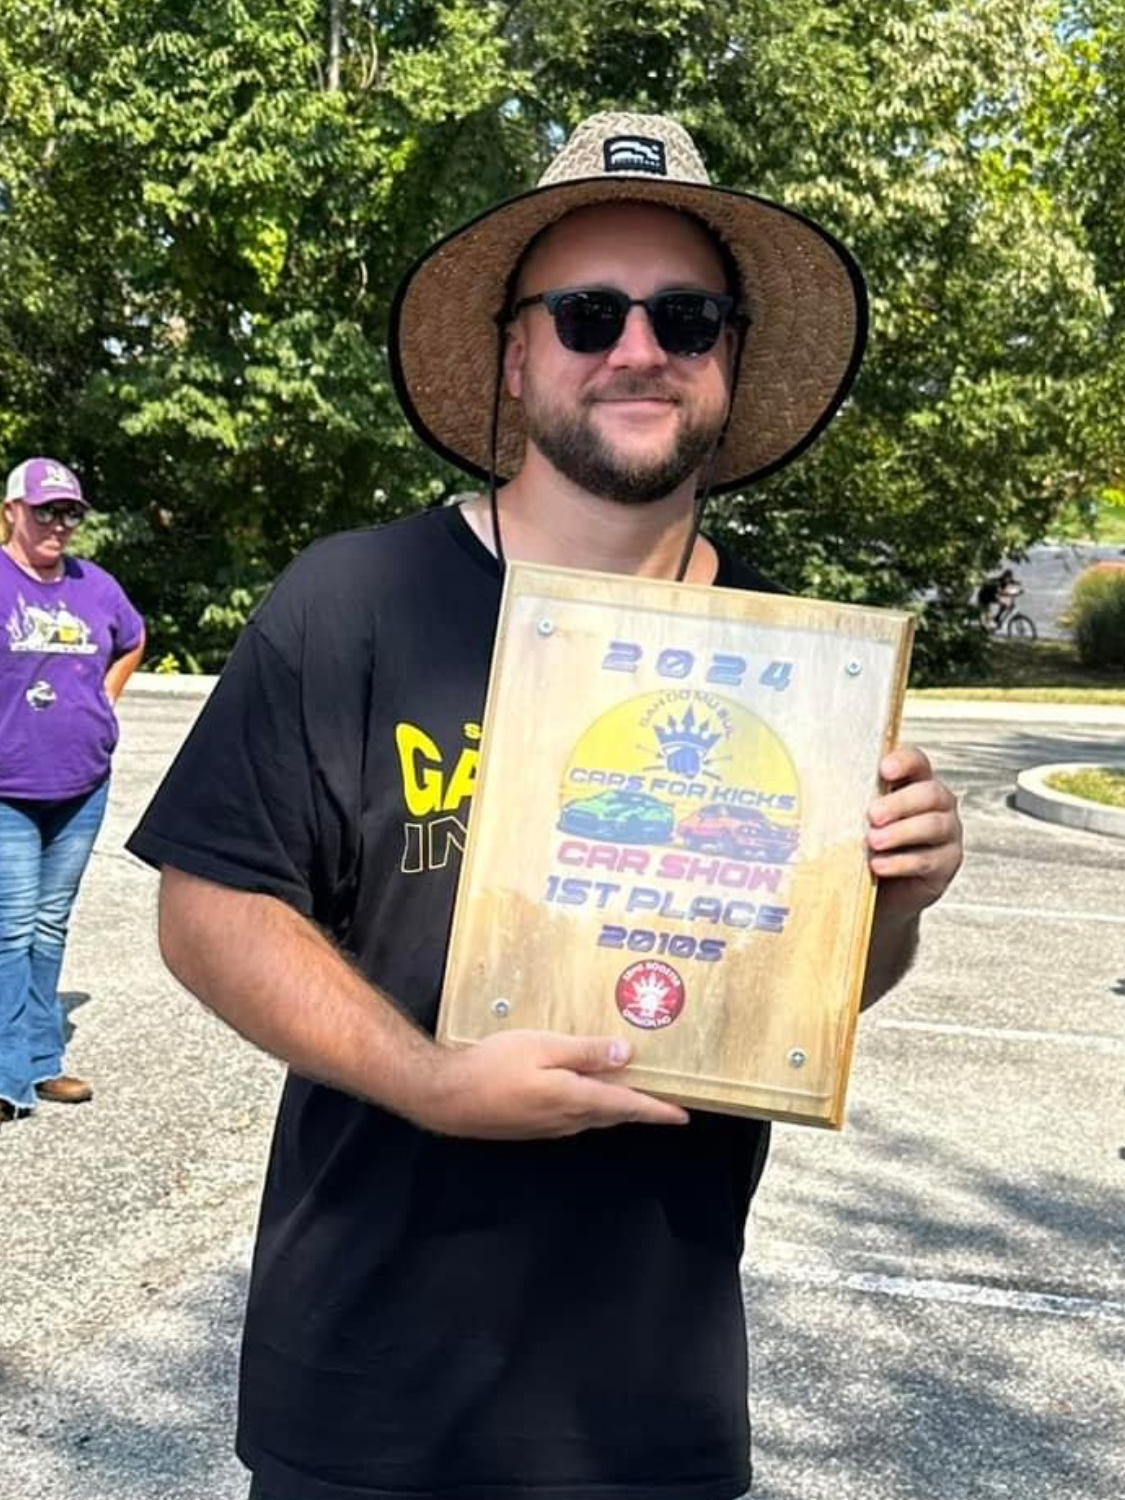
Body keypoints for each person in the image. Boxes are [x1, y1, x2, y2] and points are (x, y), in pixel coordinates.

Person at [127, 113, 963, 1500]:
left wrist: (895, 899)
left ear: (730, 361)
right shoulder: (353, 601)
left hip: (652, 1409)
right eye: (587, 314)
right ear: (516, 357)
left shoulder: (793, 667)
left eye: (684, 318)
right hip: (367, 1399)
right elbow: (208, 903)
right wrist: (427, 1082)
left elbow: (803, 995)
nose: (636, 348)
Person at [1, 457, 145, 1126]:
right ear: (11, 512)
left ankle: (41, 1062)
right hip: (8, 788)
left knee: (48, 925)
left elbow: (134, 639)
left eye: (69, 513)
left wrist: (103, 703)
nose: (57, 525)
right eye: (44, 511)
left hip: (81, 784)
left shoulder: (95, 586)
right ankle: (8, 1076)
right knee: (11, 929)